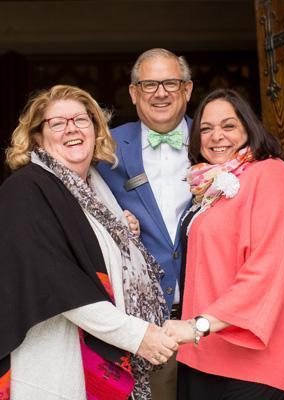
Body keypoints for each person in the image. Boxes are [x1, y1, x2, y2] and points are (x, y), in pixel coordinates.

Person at [0, 85, 179, 400]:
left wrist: (121, 239)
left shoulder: (95, 193)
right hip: (51, 367)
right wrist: (137, 335)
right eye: (57, 123)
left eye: (81, 120)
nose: (71, 128)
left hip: (92, 360)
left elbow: (91, 260)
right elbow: (58, 280)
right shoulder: (25, 191)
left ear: (96, 129)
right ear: (36, 138)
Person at [163, 88, 284, 399]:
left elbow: (267, 268)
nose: (216, 136)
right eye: (205, 129)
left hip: (257, 358)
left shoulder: (272, 174)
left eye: (228, 126)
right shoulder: (211, 185)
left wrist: (197, 325)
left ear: (249, 128)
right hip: (203, 353)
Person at [97, 48, 193, 399]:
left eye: (170, 82)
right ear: (134, 93)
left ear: (187, 89)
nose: (161, 92)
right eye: (149, 84)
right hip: (146, 322)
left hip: (212, 314)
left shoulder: (215, 139)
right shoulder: (104, 148)